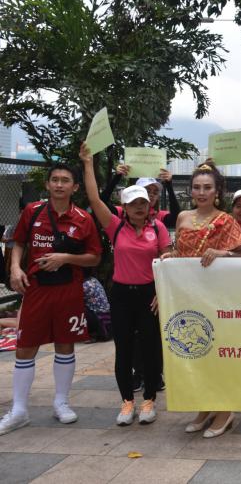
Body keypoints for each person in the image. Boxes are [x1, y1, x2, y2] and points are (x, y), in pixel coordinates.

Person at [0, 163, 102, 436]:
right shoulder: (32, 211)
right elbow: (18, 243)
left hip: (68, 290)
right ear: (47, 184)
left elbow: (94, 258)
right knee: (25, 346)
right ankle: (19, 410)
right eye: (54, 179)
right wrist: (15, 268)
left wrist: (65, 258)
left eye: (65, 180)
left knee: (65, 344)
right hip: (36, 289)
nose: (59, 184)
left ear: (75, 187)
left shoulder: (83, 219)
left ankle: (61, 403)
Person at [80, 143, 171, 425]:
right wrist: (88, 163)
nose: (139, 207)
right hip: (121, 296)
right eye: (133, 204)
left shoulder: (158, 228)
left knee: (151, 348)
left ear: (149, 204)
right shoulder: (115, 226)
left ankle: (149, 400)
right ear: (125, 207)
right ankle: (127, 402)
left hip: (149, 296)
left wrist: (161, 292)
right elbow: (94, 199)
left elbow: (167, 261)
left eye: (143, 202)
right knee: (124, 350)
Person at [162, 161, 241, 438]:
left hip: (217, 297)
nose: (201, 192)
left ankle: (225, 409)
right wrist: (170, 257)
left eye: (207, 187)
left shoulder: (225, 220)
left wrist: (223, 253)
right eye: (197, 187)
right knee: (197, 351)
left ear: (217, 191)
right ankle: (205, 405)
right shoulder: (183, 217)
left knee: (219, 353)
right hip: (188, 296)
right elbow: (182, 253)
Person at [100, 165, 180, 227]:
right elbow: (101, 204)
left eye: (155, 192)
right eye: (147, 191)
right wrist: (117, 178)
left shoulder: (159, 215)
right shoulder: (123, 212)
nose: (152, 194)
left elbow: (176, 219)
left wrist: (169, 185)